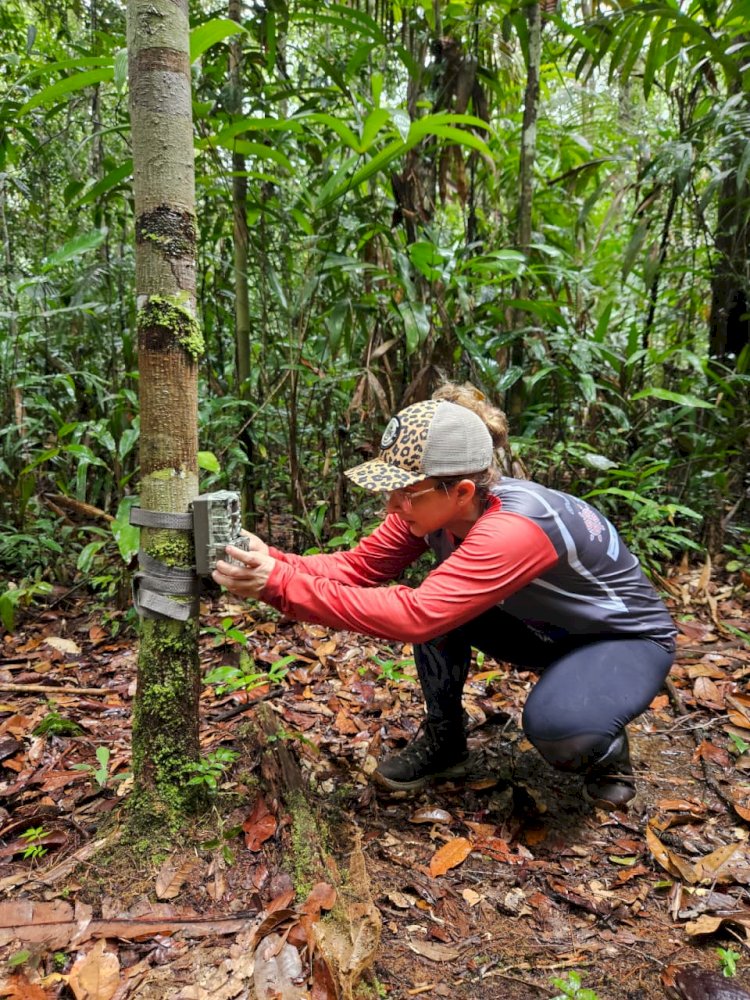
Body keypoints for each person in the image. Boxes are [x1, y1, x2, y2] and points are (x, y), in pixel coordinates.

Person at [213, 384, 676, 809]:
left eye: (405, 492)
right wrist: (272, 560)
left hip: (621, 640)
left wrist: (279, 583)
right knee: (444, 602)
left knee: (560, 730)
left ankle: (605, 749)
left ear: (462, 491)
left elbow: (416, 616)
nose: (392, 504)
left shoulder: (516, 527)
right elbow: (359, 567)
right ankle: (446, 742)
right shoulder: (432, 510)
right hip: (546, 631)